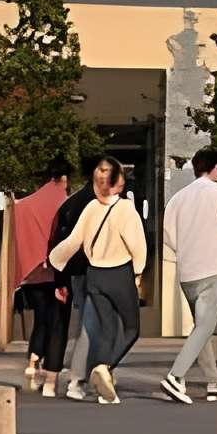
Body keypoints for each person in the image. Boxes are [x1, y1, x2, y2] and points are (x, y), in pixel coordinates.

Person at [47, 157, 146, 402]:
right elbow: (138, 246)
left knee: (105, 329)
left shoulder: (91, 207)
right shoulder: (125, 209)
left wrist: (55, 260)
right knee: (131, 329)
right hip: (119, 274)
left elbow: (73, 240)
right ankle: (104, 367)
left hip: (94, 275)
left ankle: (105, 389)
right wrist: (138, 272)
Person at [159, 149, 217, 404]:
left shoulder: (178, 198)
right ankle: (175, 376)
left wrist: (186, 251)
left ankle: (214, 383)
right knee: (204, 328)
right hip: (212, 269)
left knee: (202, 329)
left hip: (187, 272)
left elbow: (169, 236)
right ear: (215, 167)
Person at [7, 165, 72, 396]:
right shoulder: (63, 203)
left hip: (32, 274)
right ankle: (46, 368)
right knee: (55, 322)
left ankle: (33, 360)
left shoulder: (26, 205)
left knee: (40, 318)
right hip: (54, 272)